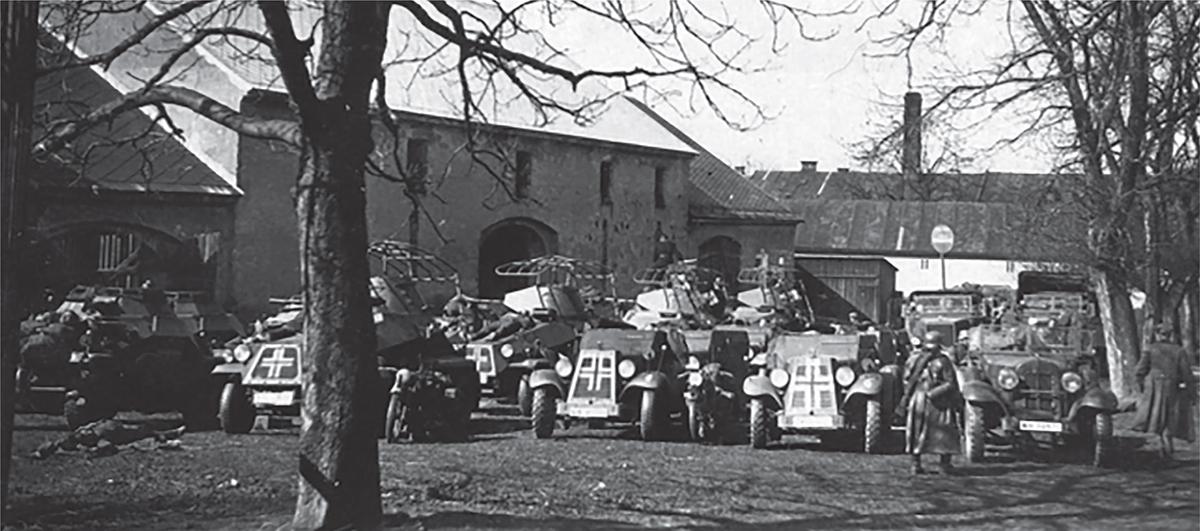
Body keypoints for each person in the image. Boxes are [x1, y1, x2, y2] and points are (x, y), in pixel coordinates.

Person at [1132, 323, 1197, 459]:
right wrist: (1192, 393)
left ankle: (1164, 444)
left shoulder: (1150, 349)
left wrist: (1141, 387)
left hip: (1154, 387)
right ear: (1170, 335)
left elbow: (1139, 370)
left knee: (1156, 415)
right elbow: (1186, 373)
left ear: (1157, 335)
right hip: (1170, 386)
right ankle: (1166, 445)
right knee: (1169, 415)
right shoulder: (1178, 350)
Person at [904, 330, 962, 474]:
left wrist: (934, 393)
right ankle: (915, 464)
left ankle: (944, 464)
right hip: (922, 399)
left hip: (936, 400)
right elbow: (907, 379)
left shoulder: (943, 361)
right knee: (916, 432)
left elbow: (950, 383)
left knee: (944, 434)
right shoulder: (916, 360)